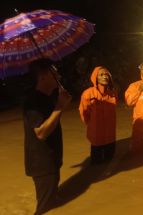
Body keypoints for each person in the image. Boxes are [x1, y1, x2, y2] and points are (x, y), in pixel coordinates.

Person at [23, 58, 72, 215]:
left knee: (50, 202)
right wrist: (59, 107)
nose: (58, 75)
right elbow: (41, 132)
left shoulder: (48, 97)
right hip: (42, 165)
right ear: (43, 76)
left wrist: (60, 104)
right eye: (54, 71)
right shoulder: (33, 101)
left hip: (51, 160)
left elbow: (52, 123)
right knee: (45, 209)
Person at [79, 66, 117, 164]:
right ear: (95, 77)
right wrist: (91, 124)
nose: (105, 77)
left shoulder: (112, 93)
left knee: (109, 159)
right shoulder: (88, 93)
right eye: (101, 75)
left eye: (106, 75)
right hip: (96, 132)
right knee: (97, 162)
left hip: (110, 133)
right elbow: (84, 111)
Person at [125, 61, 143, 154]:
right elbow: (129, 102)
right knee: (136, 153)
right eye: (142, 69)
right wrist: (138, 90)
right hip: (139, 124)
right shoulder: (134, 85)